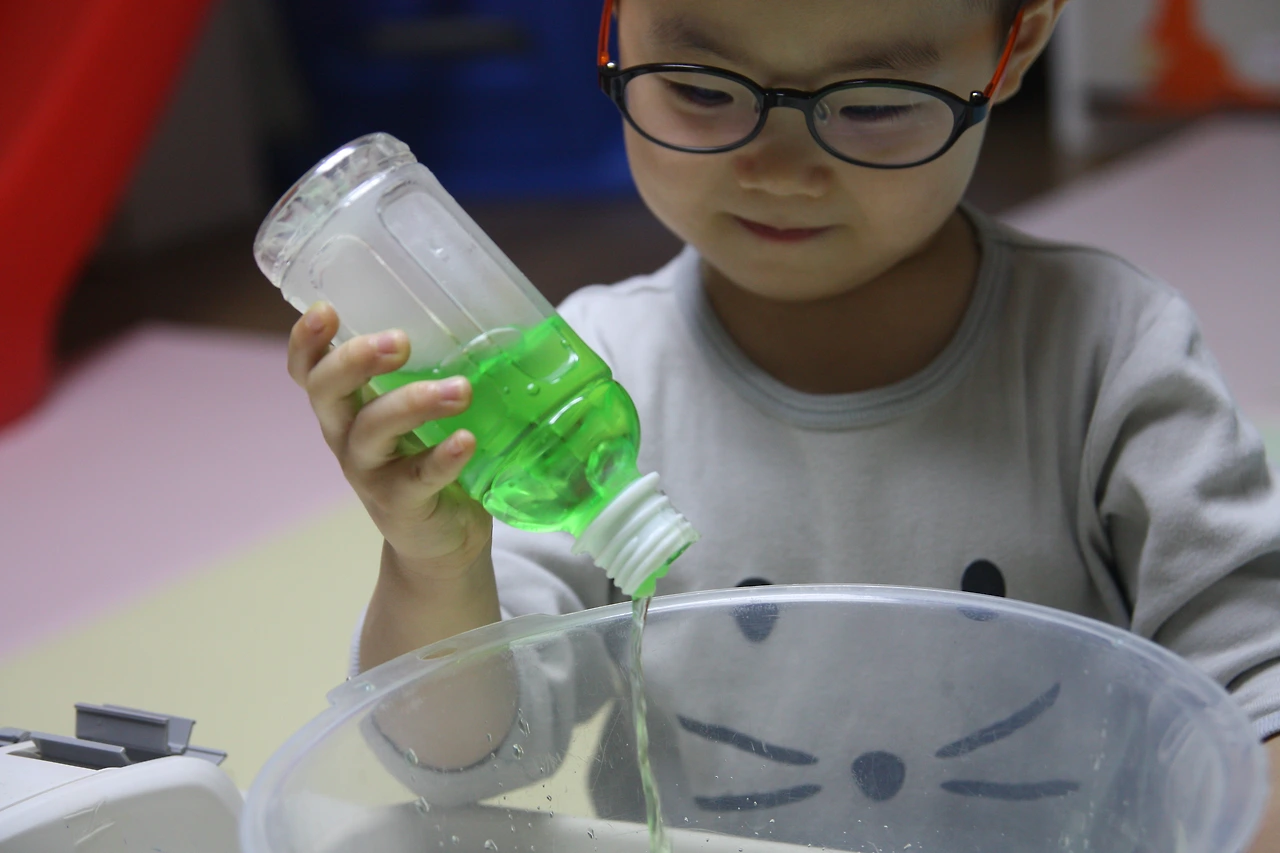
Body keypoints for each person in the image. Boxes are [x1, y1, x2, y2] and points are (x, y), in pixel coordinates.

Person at [285, 0, 1280, 846]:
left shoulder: (1108, 354)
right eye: (700, 89)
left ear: (1013, 44)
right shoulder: (581, 393)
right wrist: (434, 568)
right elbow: (466, 760)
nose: (779, 169)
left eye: (874, 104)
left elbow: (1256, 695)